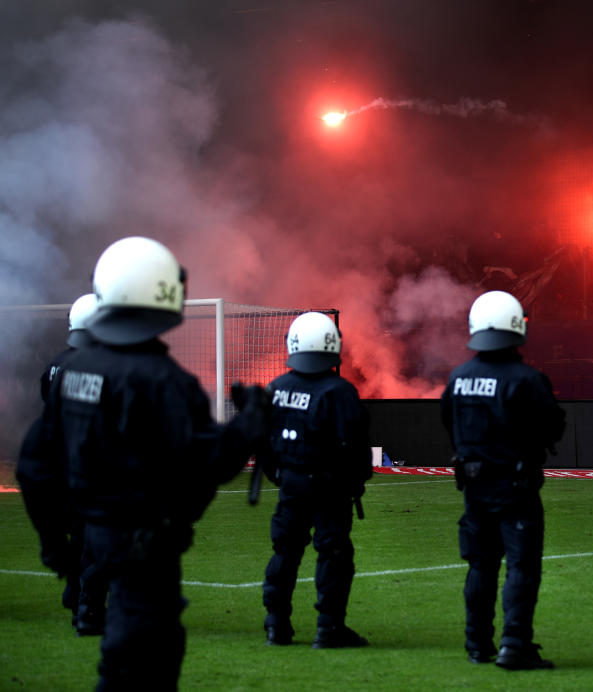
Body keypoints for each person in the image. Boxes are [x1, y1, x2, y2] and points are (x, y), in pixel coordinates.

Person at [17, 236, 270, 691]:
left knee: (120, 653)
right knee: (143, 661)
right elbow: (207, 463)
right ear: (165, 293)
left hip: (93, 532)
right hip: (145, 547)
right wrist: (249, 422)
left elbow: (34, 468)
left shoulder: (72, 372)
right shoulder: (166, 382)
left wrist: (54, 545)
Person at [441, 290, 565, 670]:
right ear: (517, 326)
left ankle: (477, 644)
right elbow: (553, 427)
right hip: (517, 490)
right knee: (521, 568)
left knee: (480, 566)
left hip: (475, 488)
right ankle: (514, 645)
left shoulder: (458, 377)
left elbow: (448, 421)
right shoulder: (527, 379)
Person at [259, 311, 372, 648]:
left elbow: (263, 442)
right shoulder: (340, 392)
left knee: (285, 552)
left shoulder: (276, 389)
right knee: (334, 554)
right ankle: (329, 628)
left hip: (291, 485)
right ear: (332, 344)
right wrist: (355, 483)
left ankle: (276, 626)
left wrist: (280, 475)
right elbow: (357, 446)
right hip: (330, 488)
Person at [40, 293, 110, 636]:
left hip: (61, 466)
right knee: (96, 539)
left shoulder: (55, 365)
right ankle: (87, 608)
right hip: (94, 467)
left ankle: (76, 593)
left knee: (79, 534)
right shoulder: (100, 367)